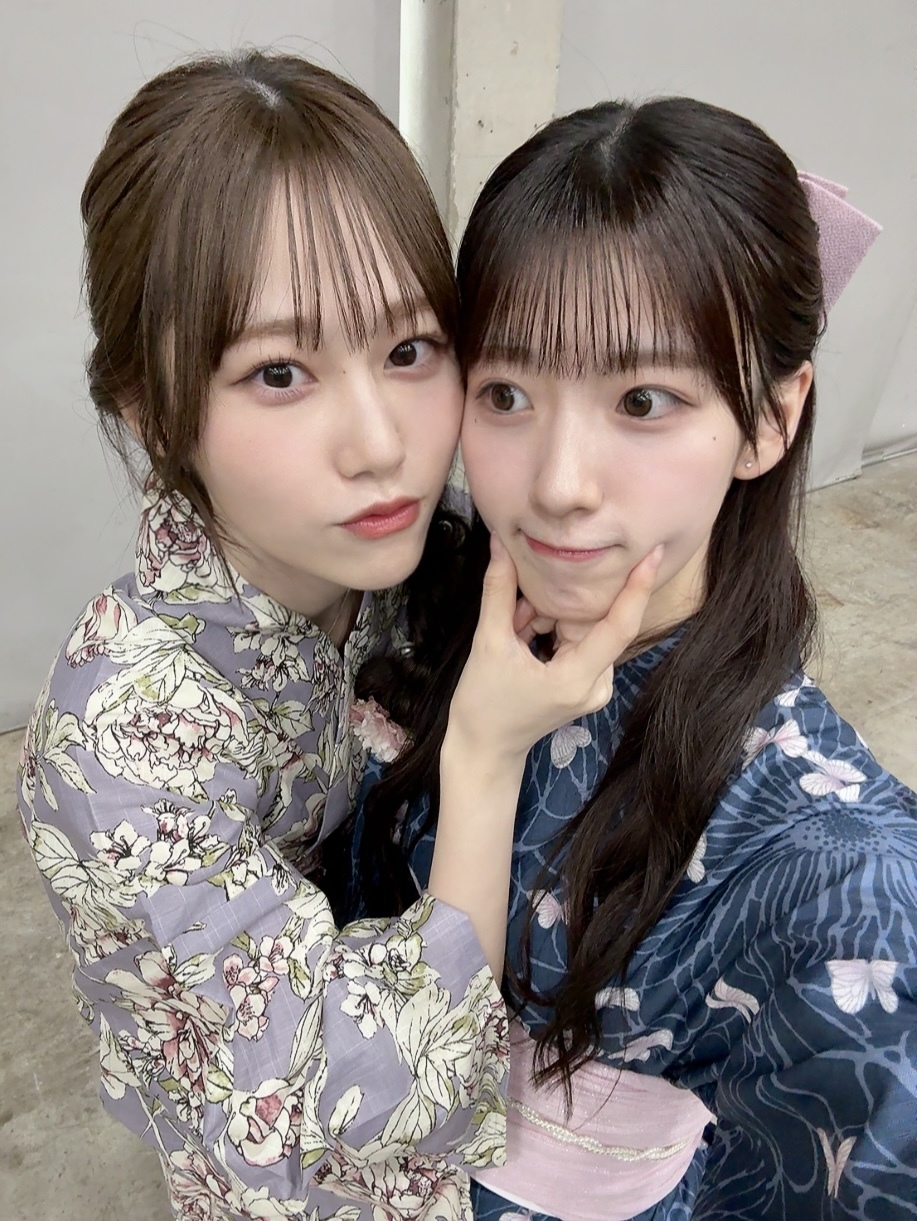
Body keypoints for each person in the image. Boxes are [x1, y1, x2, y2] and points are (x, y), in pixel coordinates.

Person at [15, 53, 657, 1221]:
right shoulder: (115, 751)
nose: (380, 444)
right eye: (278, 372)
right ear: (152, 410)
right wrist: (482, 757)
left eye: (408, 350)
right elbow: (350, 1103)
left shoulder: (427, 559)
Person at [355, 96, 917, 1219]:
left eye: (642, 400)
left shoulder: (847, 894)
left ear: (769, 418)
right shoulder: (423, 605)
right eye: (506, 393)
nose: (558, 482)